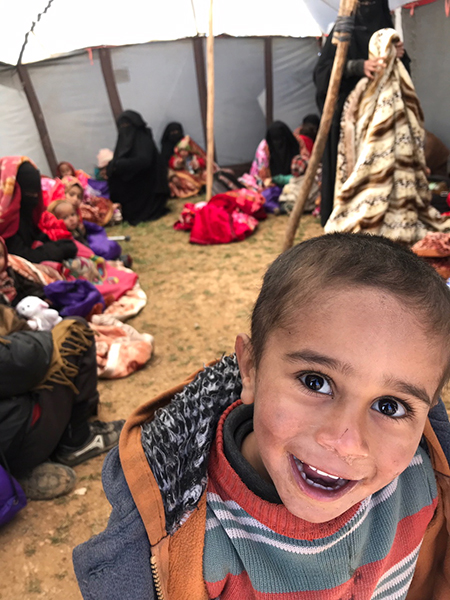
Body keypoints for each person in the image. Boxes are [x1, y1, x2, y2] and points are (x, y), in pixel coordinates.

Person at [73, 233, 450, 599]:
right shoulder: (192, 535)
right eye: (316, 382)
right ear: (250, 368)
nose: (346, 441)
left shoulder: (425, 483)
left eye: (390, 407)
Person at [0, 307, 124, 500]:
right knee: (75, 330)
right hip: (12, 447)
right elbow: (27, 360)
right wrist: (39, 333)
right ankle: (76, 441)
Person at [314, 0, 409, 227]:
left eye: (374, 2)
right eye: (364, 2)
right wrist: (358, 66)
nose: (369, 7)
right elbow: (322, 74)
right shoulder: (342, 32)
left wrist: (399, 57)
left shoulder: (387, 34)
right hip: (349, 124)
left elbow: (403, 80)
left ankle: (379, 219)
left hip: (383, 122)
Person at [1, 158, 77, 264]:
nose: (34, 197)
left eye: (36, 191)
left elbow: (35, 234)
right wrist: (59, 250)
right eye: (27, 192)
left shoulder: (26, 212)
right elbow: (21, 256)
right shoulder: (4, 221)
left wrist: (59, 244)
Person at [107, 110, 169, 225]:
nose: (124, 129)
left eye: (127, 125)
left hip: (147, 186)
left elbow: (144, 162)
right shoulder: (123, 141)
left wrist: (120, 165)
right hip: (132, 184)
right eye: (122, 126)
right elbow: (118, 160)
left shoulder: (144, 140)